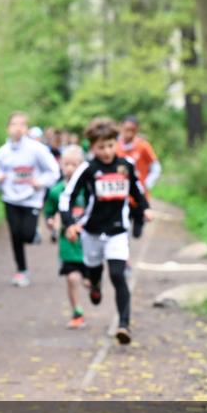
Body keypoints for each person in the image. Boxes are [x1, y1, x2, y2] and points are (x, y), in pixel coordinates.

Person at [61, 117, 152, 345]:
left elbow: (137, 191)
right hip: (92, 231)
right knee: (94, 271)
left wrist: (145, 210)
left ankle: (124, 325)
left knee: (118, 274)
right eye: (101, 147)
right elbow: (67, 198)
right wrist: (69, 222)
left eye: (110, 145)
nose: (107, 151)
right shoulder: (88, 169)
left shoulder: (126, 166)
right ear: (92, 147)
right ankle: (95, 285)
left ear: (116, 143)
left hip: (117, 231)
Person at [0, 112, 60, 287]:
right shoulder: (3, 151)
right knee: (15, 235)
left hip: (31, 199)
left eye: (22, 124)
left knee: (26, 235)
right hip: (10, 199)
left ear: (26, 128)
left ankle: (33, 233)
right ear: (8, 128)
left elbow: (53, 170)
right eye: (14, 124)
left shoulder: (36, 149)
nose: (18, 128)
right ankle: (21, 270)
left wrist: (40, 182)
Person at [44, 145, 89, 329]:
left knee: (88, 281)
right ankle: (77, 312)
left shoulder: (88, 189)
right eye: (66, 164)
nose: (70, 168)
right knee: (72, 278)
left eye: (74, 164)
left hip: (89, 243)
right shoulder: (56, 191)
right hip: (68, 244)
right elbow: (49, 212)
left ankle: (94, 285)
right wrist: (51, 222)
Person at [116, 115, 161, 238]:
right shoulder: (115, 146)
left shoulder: (143, 146)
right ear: (121, 128)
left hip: (139, 193)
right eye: (127, 129)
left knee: (137, 232)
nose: (129, 133)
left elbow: (156, 166)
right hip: (122, 193)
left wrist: (147, 183)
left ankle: (139, 222)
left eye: (132, 130)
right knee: (121, 229)